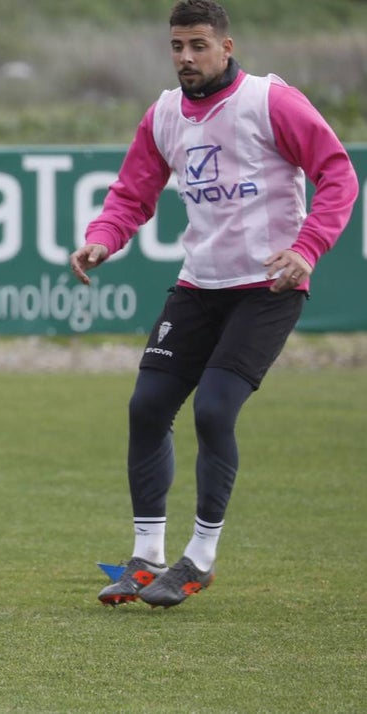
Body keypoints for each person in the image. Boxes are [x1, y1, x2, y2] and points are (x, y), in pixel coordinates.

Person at [71, 0, 358, 608]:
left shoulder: (271, 101)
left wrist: (307, 249)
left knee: (213, 410)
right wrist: (102, 239)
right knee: (147, 407)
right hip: (199, 285)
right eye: (177, 46)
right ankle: (146, 558)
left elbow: (339, 175)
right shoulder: (165, 113)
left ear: (226, 47)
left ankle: (199, 558)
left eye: (199, 45)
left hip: (269, 288)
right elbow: (132, 191)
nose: (186, 58)